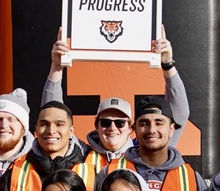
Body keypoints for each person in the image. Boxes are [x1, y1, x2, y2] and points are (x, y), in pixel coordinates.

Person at [40, 25, 193, 140]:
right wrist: (57, 67)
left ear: (130, 127)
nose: (112, 128)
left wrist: (168, 65)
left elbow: (179, 113)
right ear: (96, 127)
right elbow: (52, 113)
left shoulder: (144, 151)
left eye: (120, 123)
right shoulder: (81, 154)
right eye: (105, 122)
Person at [124, 97, 197, 191]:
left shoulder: (192, 178)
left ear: (171, 129)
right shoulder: (111, 171)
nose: (151, 130)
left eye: (159, 123)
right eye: (144, 123)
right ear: (134, 129)